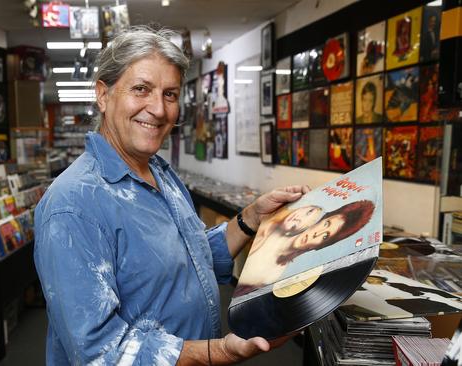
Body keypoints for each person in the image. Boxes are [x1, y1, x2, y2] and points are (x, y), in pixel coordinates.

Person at [34, 26, 310, 365]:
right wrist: (217, 352)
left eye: (170, 94)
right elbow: (100, 352)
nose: (159, 110)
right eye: (141, 89)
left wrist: (252, 216)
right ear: (103, 95)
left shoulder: (160, 173)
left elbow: (188, 257)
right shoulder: (73, 205)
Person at [234, 200, 375, 296]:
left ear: (321, 245)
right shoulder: (273, 228)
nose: (317, 233)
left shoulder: (276, 274)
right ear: (318, 220)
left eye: (325, 236)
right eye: (326, 224)